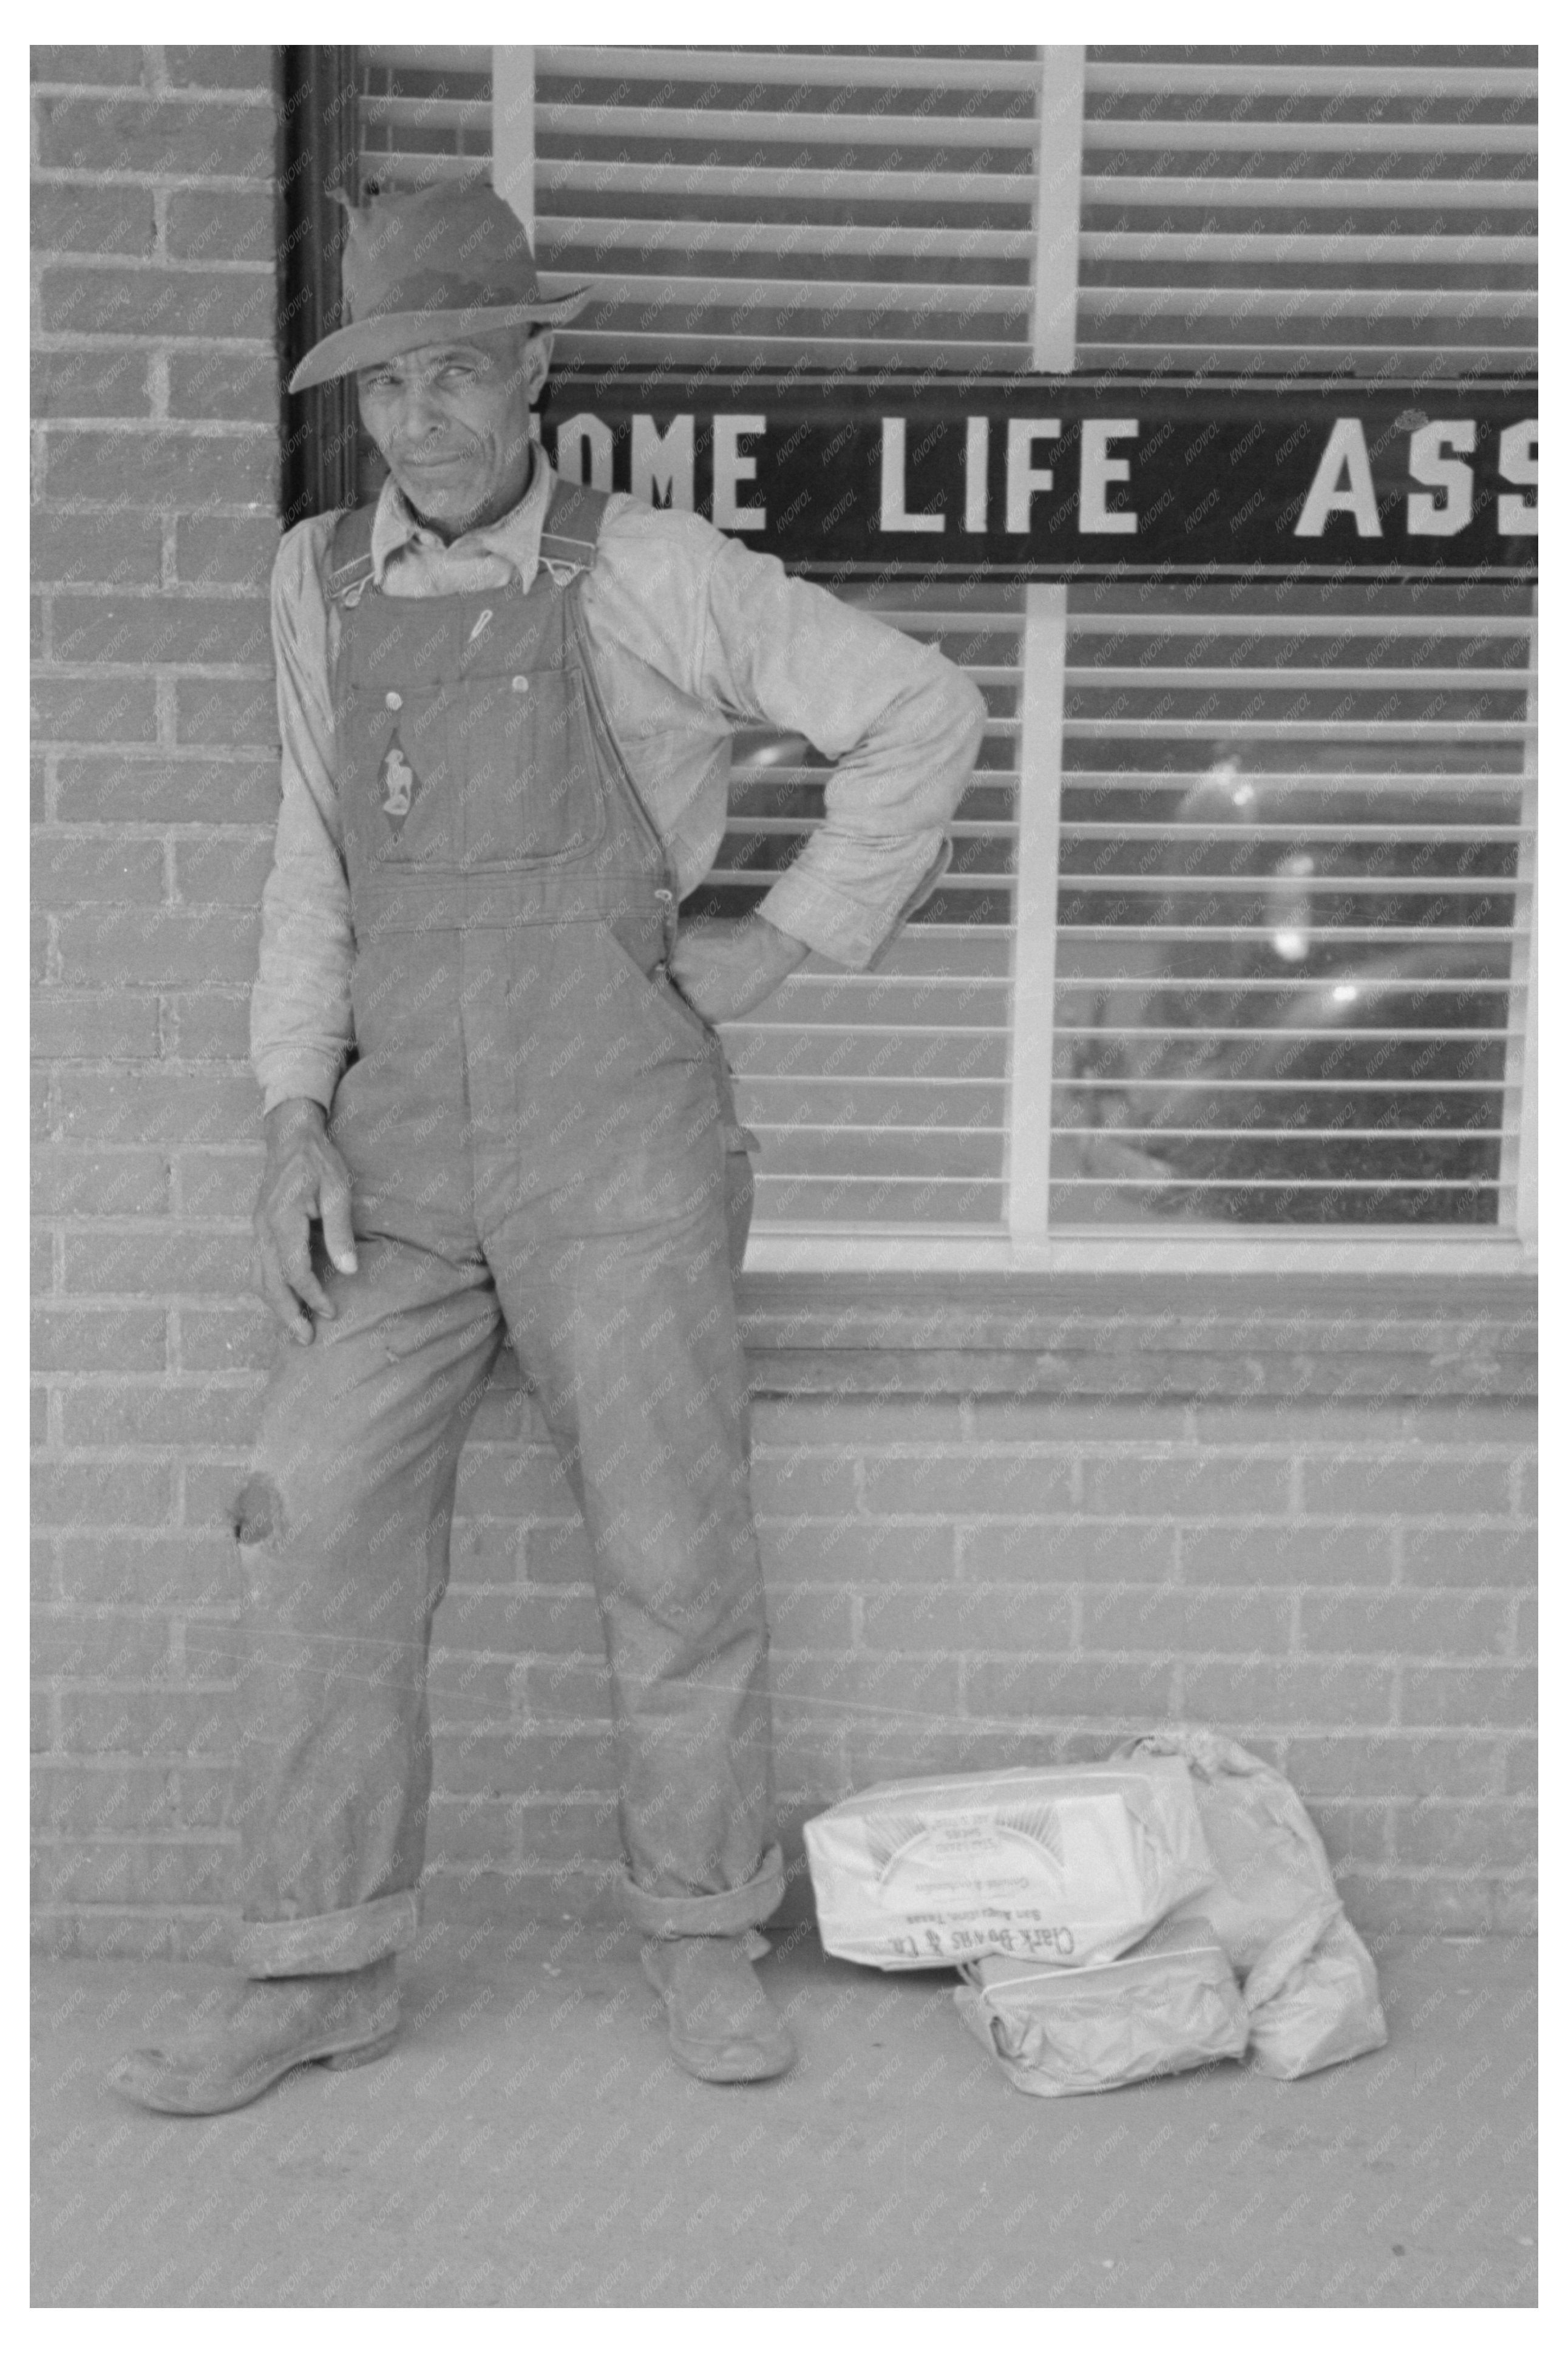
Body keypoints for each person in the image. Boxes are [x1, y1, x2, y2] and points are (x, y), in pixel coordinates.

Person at [110, 180, 985, 2114]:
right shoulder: (314, 580)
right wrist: (287, 1120)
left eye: (454, 371)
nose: (420, 418)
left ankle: (699, 1930)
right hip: (398, 1148)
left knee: (674, 1549)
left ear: (531, 364)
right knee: (312, 1510)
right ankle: (318, 1964)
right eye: (385, 385)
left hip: (621, 1147)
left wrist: (784, 939)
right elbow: (309, 871)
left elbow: (920, 710)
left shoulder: (656, 570)